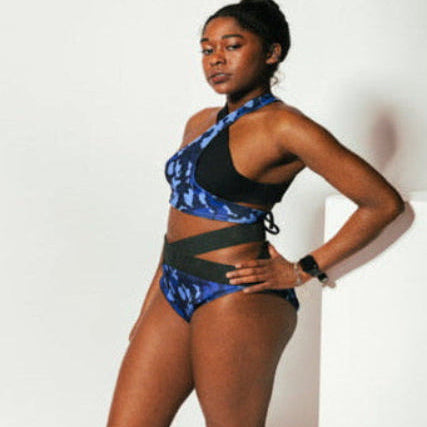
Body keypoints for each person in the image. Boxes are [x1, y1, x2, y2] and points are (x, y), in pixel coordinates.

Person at [106, 1, 405, 426]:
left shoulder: (285, 126)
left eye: (232, 46)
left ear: (271, 52)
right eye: (207, 49)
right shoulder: (198, 122)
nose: (216, 60)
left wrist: (303, 269)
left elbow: (382, 202)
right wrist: (149, 306)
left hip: (233, 296)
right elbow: (176, 221)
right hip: (172, 287)